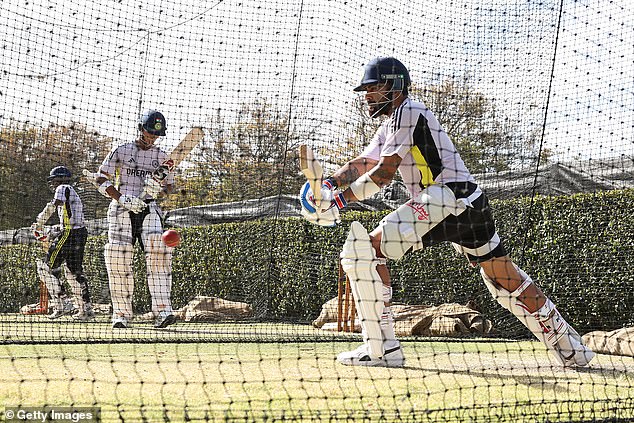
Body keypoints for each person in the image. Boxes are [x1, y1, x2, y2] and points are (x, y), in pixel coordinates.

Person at [300, 57, 595, 368]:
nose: (368, 96)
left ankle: (382, 349)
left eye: (374, 88)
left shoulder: (408, 111)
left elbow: (383, 173)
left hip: (447, 198)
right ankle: (571, 347)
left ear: (394, 86)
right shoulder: (390, 124)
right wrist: (329, 185)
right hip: (469, 202)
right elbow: (364, 162)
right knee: (501, 277)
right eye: (366, 90)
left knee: (362, 252)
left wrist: (339, 201)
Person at [91, 109, 177, 329]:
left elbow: (171, 187)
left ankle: (163, 311)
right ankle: (120, 314)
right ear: (141, 129)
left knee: (159, 257)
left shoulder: (162, 157)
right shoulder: (121, 150)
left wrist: (159, 188)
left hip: (149, 209)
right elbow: (100, 178)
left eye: (156, 135)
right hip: (121, 209)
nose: (152, 138)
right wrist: (121, 198)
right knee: (118, 260)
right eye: (149, 133)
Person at [31, 166, 94, 320]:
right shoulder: (71, 192)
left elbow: (53, 205)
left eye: (53, 179)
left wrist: (39, 222)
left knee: (45, 267)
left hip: (70, 234)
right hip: (79, 234)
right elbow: (70, 219)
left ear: (59, 178)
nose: (52, 183)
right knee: (74, 272)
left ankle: (63, 303)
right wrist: (51, 229)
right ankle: (86, 309)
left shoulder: (63, 187)